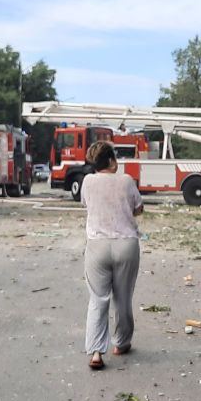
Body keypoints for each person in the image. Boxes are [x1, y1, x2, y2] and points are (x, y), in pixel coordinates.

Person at [79, 141, 143, 371]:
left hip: (97, 246)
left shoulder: (87, 181)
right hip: (126, 244)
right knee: (123, 297)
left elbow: (86, 204)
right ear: (112, 160)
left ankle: (96, 353)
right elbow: (138, 208)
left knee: (98, 299)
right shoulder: (126, 180)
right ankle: (121, 343)